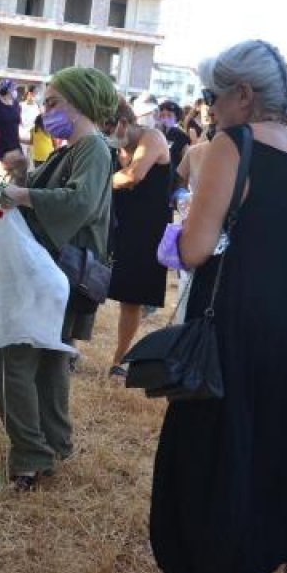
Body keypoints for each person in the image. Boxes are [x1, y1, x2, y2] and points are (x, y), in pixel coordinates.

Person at [129, 40, 287, 573]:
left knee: (212, 462)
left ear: (243, 94)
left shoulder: (234, 146)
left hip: (237, 337)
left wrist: (180, 230)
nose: (207, 108)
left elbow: (196, 248)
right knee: (275, 464)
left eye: (211, 95)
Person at [0, 67, 117, 492]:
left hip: (54, 273)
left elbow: (77, 203)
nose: (46, 112)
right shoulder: (72, 150)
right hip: (50, 271)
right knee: (47, 357)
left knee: (12, 356)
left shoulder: (92, 148)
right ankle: (53, 444)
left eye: (53, 103)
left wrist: (21, 193)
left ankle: (30, 455)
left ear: (79, 102)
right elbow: (47, 198)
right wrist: (23, 175)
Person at [106, 97, 172, 379]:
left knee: (130, 297)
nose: (104, 134)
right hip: (117, 222)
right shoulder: (116, 147)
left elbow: (133, 176)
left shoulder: (152, 137)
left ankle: (119, 360)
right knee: (84, 281)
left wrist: (95, 182)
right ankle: (69, 348)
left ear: (122, 122)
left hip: (146, 227)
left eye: (107, 127)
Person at [157, 100, 192, 196]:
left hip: (172, 181)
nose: (165, 119)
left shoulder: (181, 136)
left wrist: (181, 187)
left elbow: (186, 161)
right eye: (162, 115)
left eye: (169, 116)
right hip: (157, 180)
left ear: (176, 117)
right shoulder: (155, 134)